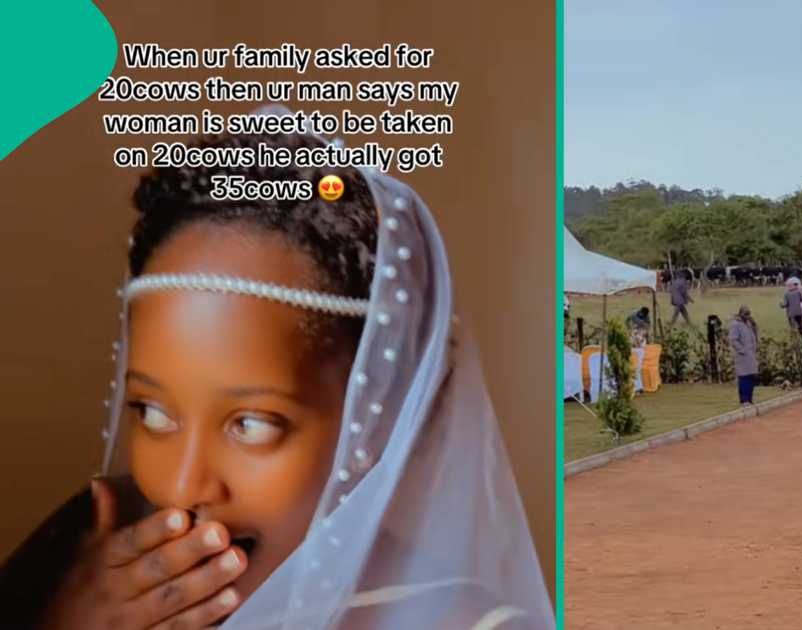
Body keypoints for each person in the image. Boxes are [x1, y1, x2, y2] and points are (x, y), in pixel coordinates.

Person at [0, 119, 554, 629]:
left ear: (381, 414)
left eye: (252, 424)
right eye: (153, 412)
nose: (181, 485)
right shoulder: (77, 572)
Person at [728, 305, 760, 405]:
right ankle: (744, 400)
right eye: (746, 314)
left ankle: (749, 399)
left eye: (749, 314)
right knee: (744, 377)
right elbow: (733, 340)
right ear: (741, 314)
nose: (748, 316)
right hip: (742, 356)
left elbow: (753, 335)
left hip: (751, 354)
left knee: (751, 377)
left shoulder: (749, 323)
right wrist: (742, 350)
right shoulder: (736, 324)